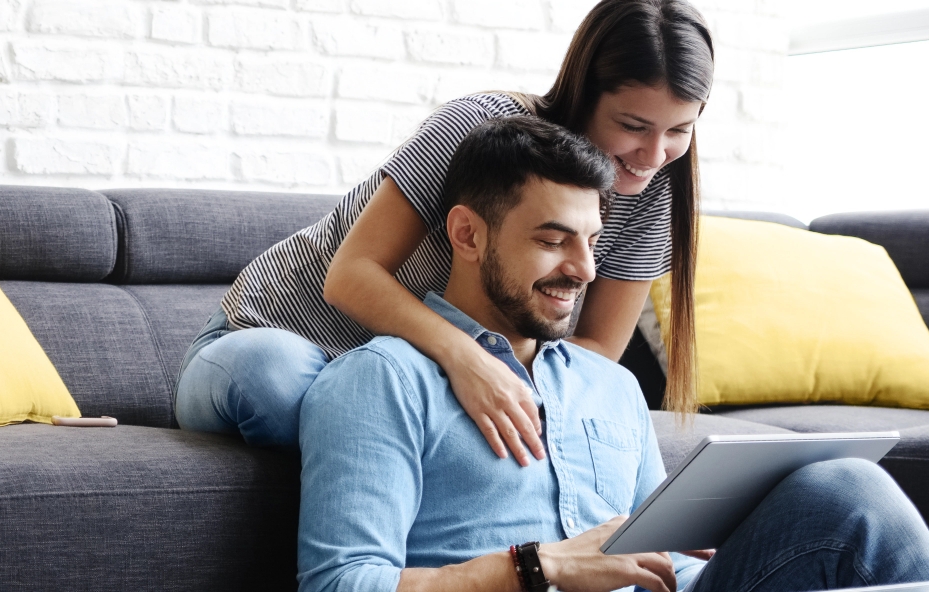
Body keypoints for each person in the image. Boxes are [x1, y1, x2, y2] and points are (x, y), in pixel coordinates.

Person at [296, 117, 929, 592]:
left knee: (834, 490)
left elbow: (661, 561)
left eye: (592, 241)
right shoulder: (381, 380)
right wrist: (534, 567)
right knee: (844, 489)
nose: (584, 270)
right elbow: (340, 582)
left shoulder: (605, 385)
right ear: (468, 235)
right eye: (553, 241)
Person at [177, 0, 710, 461]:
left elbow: (595, 351)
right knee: (281, 384)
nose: (653, 154)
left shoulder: (653, 194)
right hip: (282, 342)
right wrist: (467, 362)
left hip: (413, 391)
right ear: (585, 92)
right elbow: (350, 276)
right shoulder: (477, 128)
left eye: (679, 131)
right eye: (633, 126)